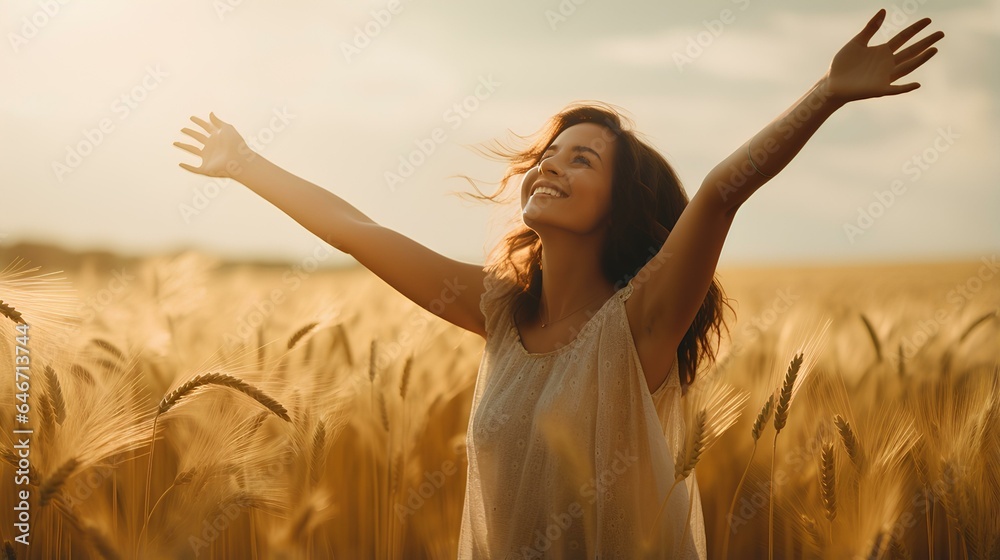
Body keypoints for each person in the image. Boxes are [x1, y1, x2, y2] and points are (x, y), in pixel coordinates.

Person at [173, 9, 942, 558]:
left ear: (624, 203)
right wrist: (245, 164)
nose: (549, 165)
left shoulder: (641, 325)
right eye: (549, 153)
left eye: (582, 160)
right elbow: (357, 231)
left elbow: (719, 191)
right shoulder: (499, 312)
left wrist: (827, 95)